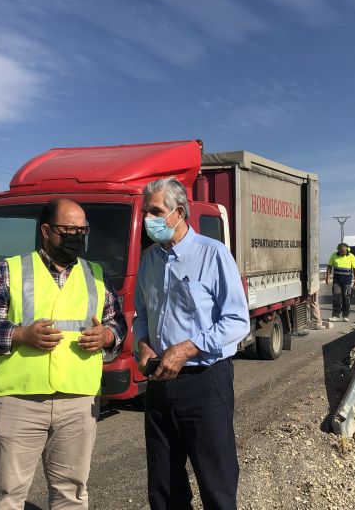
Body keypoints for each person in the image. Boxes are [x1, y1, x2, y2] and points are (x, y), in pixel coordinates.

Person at [0, 199, 127, 510]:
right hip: (18, 400)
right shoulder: (9, 270)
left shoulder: (96, 274)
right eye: (69, 229)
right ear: (46, 230)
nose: (77, 236)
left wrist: (108, 335)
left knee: (71, 494)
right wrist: (20, 335)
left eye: (82, 230)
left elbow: (117, 321)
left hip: (78, 399)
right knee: (7, 495)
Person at [133, 177, 249, 510]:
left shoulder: (212, 255)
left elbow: (237, 321)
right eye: (146, 212)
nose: (148, 220)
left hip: (204, 383)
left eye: (155, 211)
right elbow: (142, 314)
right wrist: (141, 343)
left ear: (179, 212)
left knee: (216, 482)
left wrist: (186, 349)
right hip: (159, 384)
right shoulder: (150, 260)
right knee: (164, 485)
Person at [325, 243, 355, 321]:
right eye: (340, 251)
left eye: (343, 252)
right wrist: (327, 277)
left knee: (346, 298)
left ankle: (345, 316)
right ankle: (335, 315)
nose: (342, 253)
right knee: (336, 297)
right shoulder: (334, 255)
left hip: (347, 282)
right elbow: (329, 266)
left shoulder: (351, 256)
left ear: (347, 250)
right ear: (338, 250)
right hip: (337, 281)